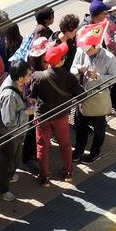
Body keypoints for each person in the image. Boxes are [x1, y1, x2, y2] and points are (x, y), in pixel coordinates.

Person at [30, 41, 78, 185]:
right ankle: (68, 172)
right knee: (65, 144)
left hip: (42, 116)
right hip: (61, 115)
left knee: (42, 146)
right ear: (61, 61)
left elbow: (33, 96)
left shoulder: (37, 76)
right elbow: (81, 95)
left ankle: (44, 177)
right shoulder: (69, 77)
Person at [72, 24, 116, 162]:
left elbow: (114, 78)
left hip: (99, 98)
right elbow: (72, 69)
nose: (85, 52)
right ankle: (79, 150)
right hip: (83, 96)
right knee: (80, 128)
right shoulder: (81, 51)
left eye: (88, 50)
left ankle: (94, 153)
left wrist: (98, 76)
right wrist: (80, 69)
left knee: (99, 129)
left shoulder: (109, 58)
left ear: (96, 46)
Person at [0, 60, 31, 201]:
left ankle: (9, 175)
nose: (30, 76)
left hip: (19, 131)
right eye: (29, 74)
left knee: (15, 158)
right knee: (5, 162)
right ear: (20, 78)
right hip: (9, 134)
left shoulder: (17, 82)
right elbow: (9, 120)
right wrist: (27, 112)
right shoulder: (9, 94)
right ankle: (0, 189)